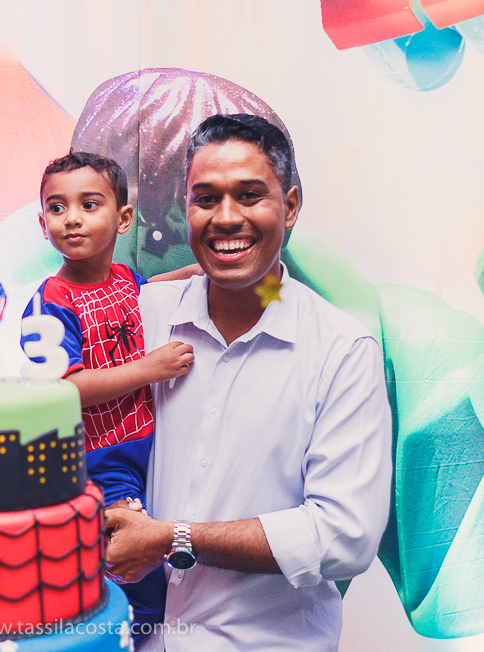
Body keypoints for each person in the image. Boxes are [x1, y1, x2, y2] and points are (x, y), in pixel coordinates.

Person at [104, 115, 391, 651]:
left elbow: (345, 536)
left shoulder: (337, 350)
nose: (226, 218)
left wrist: (173, 537)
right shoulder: (143, 315)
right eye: (205, 198)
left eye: (250, 195)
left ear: (291, 206)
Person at [21, 151, 194, 636]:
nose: (71, 218)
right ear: (42, 222)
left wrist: (186, 275)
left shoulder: (123, 280)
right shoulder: (47, 305)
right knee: (137, 574)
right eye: (57, 208)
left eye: (88, 204)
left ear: (122, 219)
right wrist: (147, 369)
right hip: (95, 460)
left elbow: (141, 293)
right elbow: (65, 388)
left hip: (142, 449)